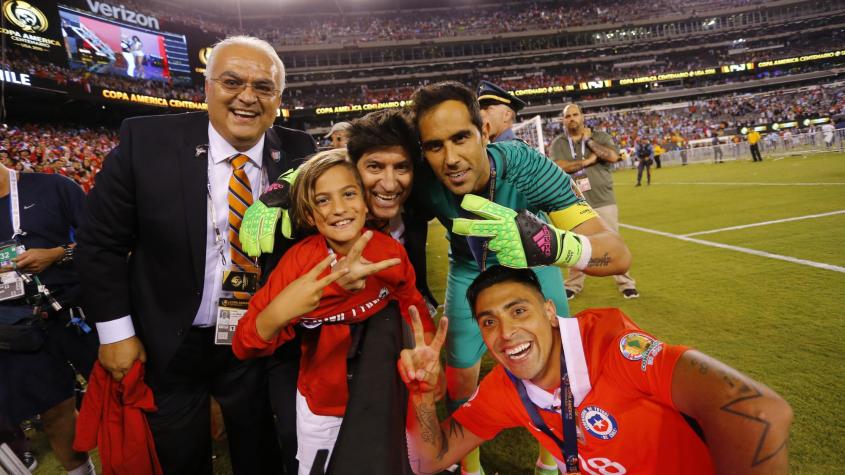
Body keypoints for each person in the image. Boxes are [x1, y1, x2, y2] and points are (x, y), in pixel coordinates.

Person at [76, 35, 316, 474]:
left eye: (263, 87)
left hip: (257, 338)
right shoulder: (145, 141)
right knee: (178, 457)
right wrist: (115, 334)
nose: (247, 97)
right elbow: (100, 242)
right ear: (206, 88)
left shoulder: (300, 153)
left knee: (262, 453)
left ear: (278, 98)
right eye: (232, 82)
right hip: (168, 339)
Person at [410, 81, 631, 475]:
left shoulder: (525, 167)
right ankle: (470, 467)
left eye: (461, 138)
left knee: (558, 369)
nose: (451, 158)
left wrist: (550, 246)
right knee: (461, 377)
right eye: (435, 145)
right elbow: (353, 163)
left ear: (485, 132)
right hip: (468, 270)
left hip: (535, 263)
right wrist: (285, 186)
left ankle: (551, 464)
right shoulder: (422, 178)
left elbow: (615, 253)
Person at [399, 265, 794, 475]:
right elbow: (426, 460)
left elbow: (760, 412)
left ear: (550, 312)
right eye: (489, 322)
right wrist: (421, 395)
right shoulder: (505, 388)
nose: (506, 333)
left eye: (519, 311)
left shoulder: (611, 345)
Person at [234, 149, 437, 474]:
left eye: (348, 194)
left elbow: (411, 305)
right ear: (310, 216)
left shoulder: (389, 253)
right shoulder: (297, 265)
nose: (340, 208)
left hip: (383, 395)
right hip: (322, 408)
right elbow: (244, 343)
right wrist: (283, 310)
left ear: (365, 201)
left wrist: (425, 349)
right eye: (324, 200)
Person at [0, 165, 97, 475]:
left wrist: (58, 254)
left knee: (122, 400)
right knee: (55, 417)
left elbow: (102, 243)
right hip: (18, 331)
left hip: (76, 314)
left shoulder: (53, 186)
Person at [549, 103, 639, 300]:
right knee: (575, 244)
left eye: (575, 114)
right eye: (567, 116)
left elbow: (613, 156)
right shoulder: (559, 142)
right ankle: (573, 284)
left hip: (603, 198)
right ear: (563, 120)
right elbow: (559, 167)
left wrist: (589, 142)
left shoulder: (600, 137)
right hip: (573, 202)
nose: (571, 118)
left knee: (613, 241)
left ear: (582, 116)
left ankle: (626, 283)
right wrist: (588, 162)